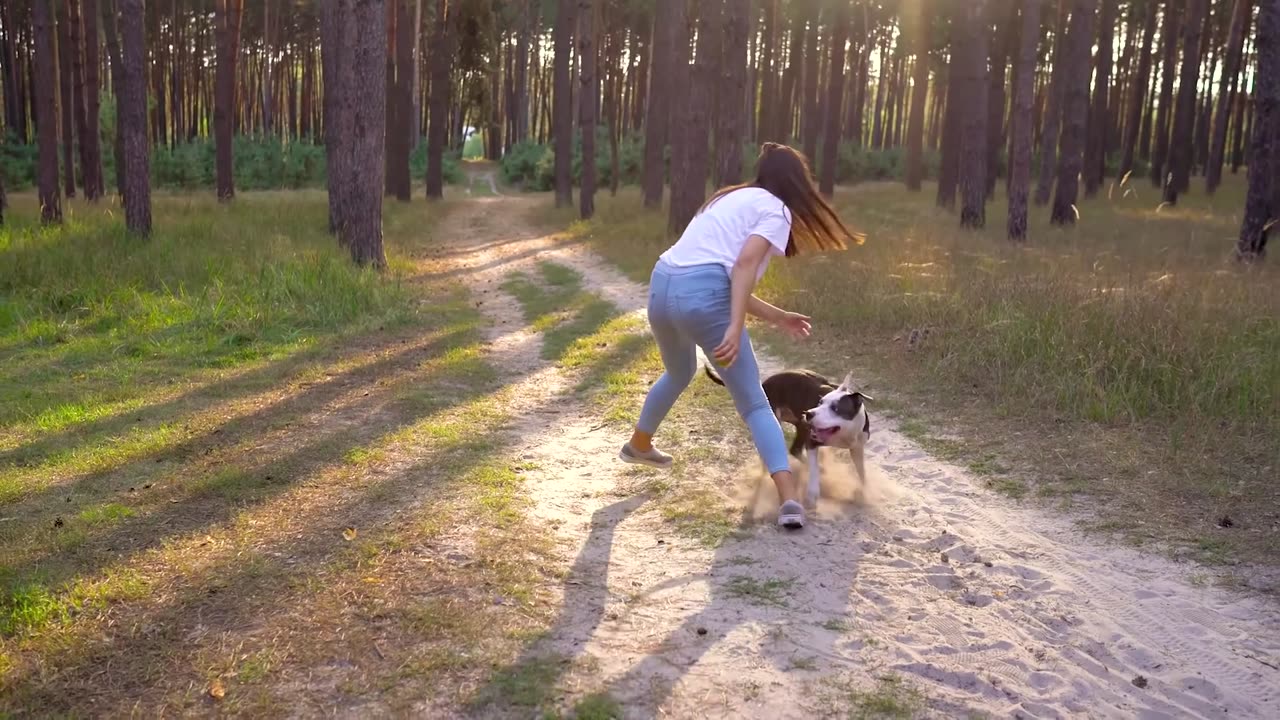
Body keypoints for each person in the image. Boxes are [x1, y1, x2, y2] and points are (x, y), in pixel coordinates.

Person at [619, 142, 862, 529]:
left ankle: (640, 444)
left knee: (678, 371)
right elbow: (742, 267)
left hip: (661, 286)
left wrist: (778, 316)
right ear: (796, 182)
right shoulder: (776, 208)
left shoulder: (729, 197)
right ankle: (789, 500)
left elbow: (721, 275)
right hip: (703, 295)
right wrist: (734, 326)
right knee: (754, 404)